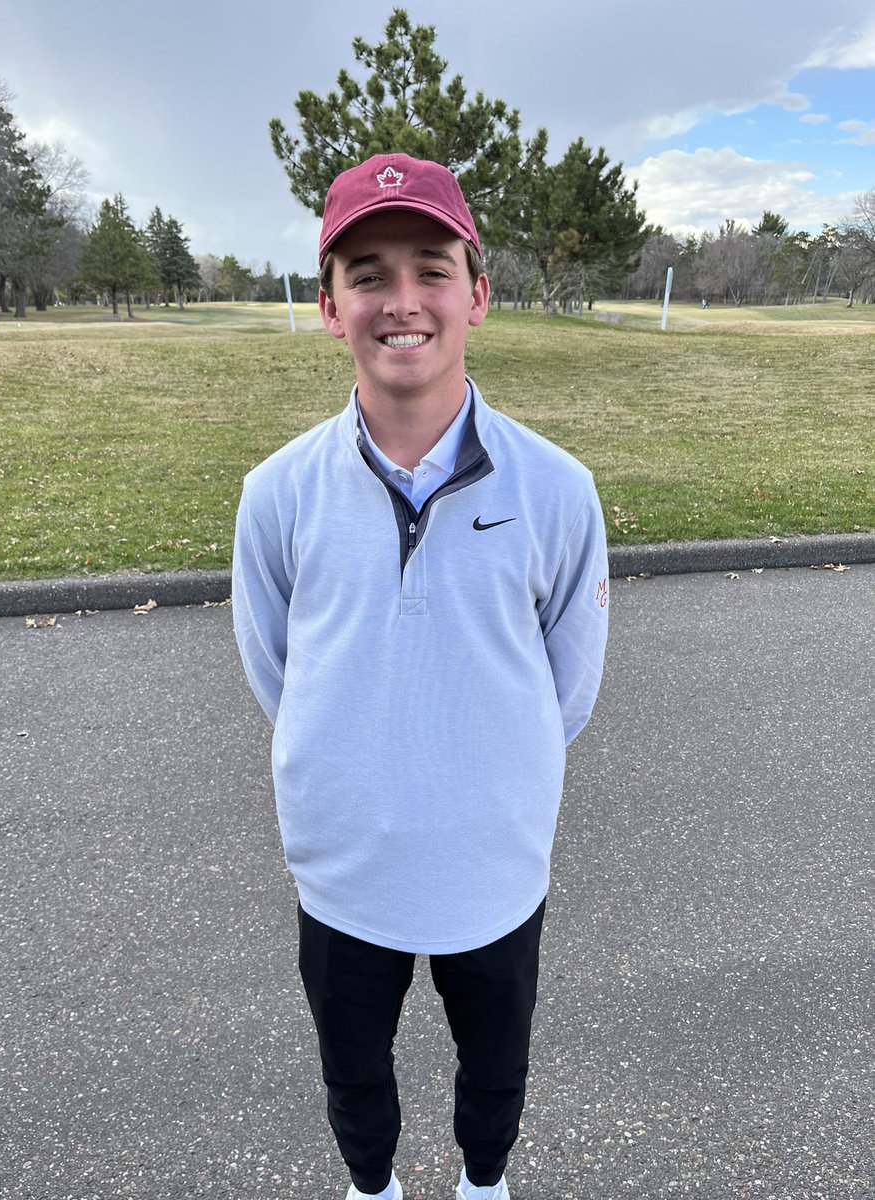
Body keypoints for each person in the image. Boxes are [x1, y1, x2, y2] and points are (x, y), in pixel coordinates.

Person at [232, 152, 609, 1200]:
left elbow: (564, 691)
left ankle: (483, 1185)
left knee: (496, 1069)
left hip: (494, 866)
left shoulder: (560, 489)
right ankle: (374, 1189)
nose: (403, 301)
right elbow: (280, 671)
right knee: (353, 1071)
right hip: (344, 869)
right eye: (367, 273)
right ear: (328, 306)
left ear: (478, 294)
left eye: (432, 268)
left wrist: (478, 770)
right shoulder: (275, 494)